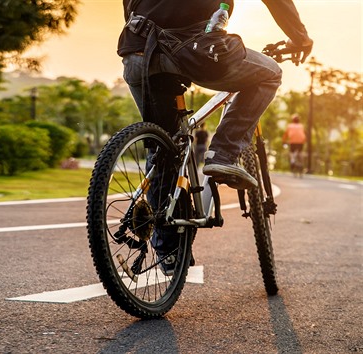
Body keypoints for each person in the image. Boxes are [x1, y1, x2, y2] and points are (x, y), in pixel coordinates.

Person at [118, 0, 313, 275]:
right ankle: (222, 152)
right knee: (269, 75)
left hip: (136, 49)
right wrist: (300, 38)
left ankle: (168, 250)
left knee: (164, 144)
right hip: (195, 48)